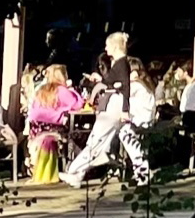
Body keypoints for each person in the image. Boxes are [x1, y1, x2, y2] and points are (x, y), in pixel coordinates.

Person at [63, 56, 156, 187]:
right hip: (130, 122)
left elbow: (118, 91)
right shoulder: (141, 85)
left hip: (136, 122)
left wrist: (103, 82)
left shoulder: (136, 86)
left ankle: (77, 169)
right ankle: (82, 171)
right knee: (112, 139)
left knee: (104, 140)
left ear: (134, 72)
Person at [27, 64, 85, 184]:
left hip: (36, 130)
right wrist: (72, 89)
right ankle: (76, 167)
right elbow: (79, 104)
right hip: (54, 129)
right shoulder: (62, 91)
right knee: (79, 135)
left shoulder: (40, 90)